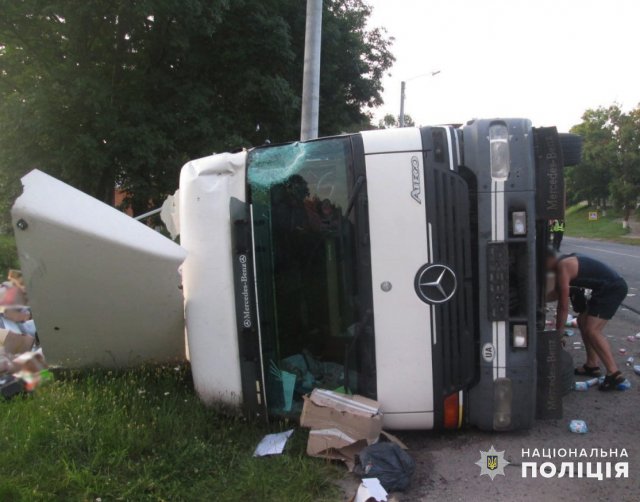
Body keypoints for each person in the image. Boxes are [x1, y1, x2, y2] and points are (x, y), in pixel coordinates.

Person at [547, 249, 628, 390]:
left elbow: (563, 307)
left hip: (613, 288)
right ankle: (592, 365)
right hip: (604, 288)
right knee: (582, 322)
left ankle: (614, 374)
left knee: (592, 330)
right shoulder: (565, 261)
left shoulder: (563, 267)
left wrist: (558, 334)